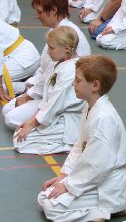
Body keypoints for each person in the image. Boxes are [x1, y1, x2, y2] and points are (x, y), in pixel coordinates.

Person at [38, 55, 126, 222]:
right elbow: (80, 146)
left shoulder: (103, 118)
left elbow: (96, 164)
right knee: (45, 196)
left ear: (95, 86)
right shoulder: (90, 106)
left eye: (78, 80)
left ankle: (115, 208)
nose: (73, 84)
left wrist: (69, 185)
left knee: (51, 207)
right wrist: (64, 175)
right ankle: (113, 206)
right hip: (94, 177)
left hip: (107, 185)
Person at [3, 0, 91, 130]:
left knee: (10, 119)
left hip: (63, 100)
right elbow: (44, 69)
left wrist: (28, 96)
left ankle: (59, 125)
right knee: (7, 110)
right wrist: (29, 90)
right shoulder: (55, 31)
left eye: (40, 12)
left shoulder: (68, 35)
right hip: (48, 90)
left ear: (54, 10)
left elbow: (52, 78)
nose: (37, 16)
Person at [13, 26, 85, 155]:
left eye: (51, 48)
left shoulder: (70, 70)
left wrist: (31, 124)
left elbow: (54, 104)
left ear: (66, 48)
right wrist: (31, 121)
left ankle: (70, 144)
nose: (48, 52)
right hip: (54, 115)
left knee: (20, 142)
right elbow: (48, 100)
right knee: (19, 134)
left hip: (68, 120)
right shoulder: (61, 64)